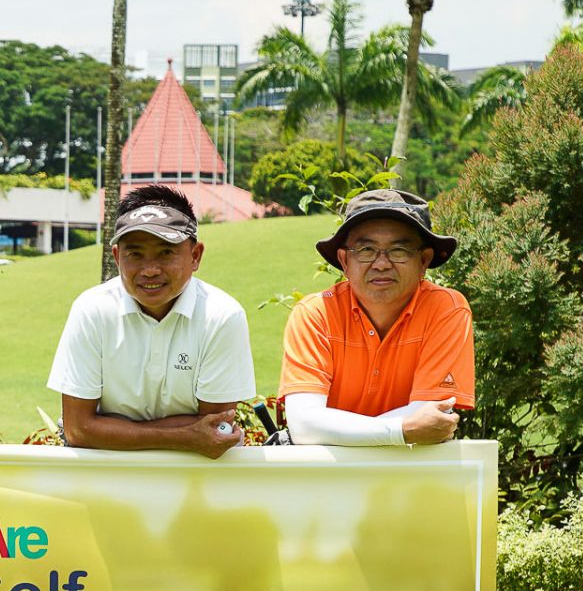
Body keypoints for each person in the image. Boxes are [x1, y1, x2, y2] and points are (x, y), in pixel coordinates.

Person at [47, 185, 253, 457]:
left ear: (195, 256)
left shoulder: (222, 315)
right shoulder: (92, 309)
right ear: (117, 257)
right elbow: (79, 429)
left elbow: (215, 429)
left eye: (166, 252)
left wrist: (110, 427)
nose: (150, 270)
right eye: (135, 254)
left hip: (194, 474)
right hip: (106, 473)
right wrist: (185, 435)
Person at [277, 189, 474, 447]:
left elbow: (431, 417)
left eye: (399, 250)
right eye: (366, 250)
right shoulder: (315, 314)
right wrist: (401, 430)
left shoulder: (446, 309)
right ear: (344, 261)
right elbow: (304, 427)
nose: (381, 264)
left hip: (411, 468)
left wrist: (334, 430)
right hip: (331, 470)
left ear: (424, 260)